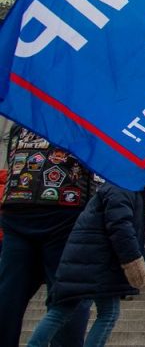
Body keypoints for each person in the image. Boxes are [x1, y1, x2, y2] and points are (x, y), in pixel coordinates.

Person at [26, 179, 145, 347]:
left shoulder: (116, 186)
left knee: (63, 309)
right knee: (107, 313)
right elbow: (120, 226)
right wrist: (133, 261)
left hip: (85, 257)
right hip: (98, 260)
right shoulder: (124, 186)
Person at [0, 130, 94, 347]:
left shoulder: (24, 114)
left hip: (18, 202)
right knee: (68, 292)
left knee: (10, 290)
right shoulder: (80, 115)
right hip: (65, 205)